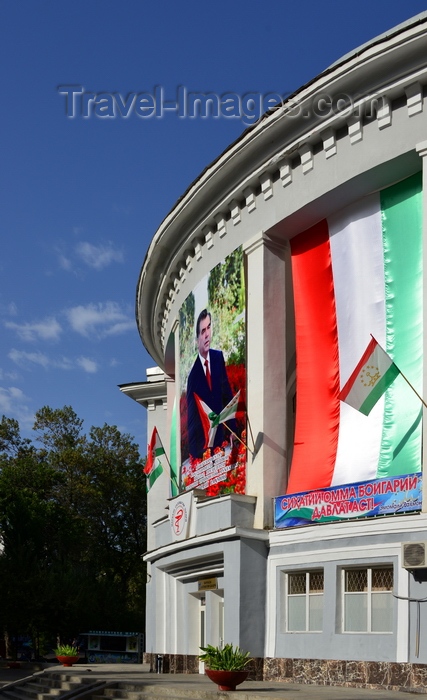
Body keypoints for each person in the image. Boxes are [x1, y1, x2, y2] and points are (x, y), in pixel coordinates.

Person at [187, 309, 236, 459]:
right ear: (197, 339)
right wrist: (198, 455)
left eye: (209, 327)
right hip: (206, 448)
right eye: (203, 331)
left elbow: (226, 394)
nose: (207, 334)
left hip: (225, 440)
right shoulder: (193, 377)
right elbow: (192, 421)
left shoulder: (217, 357)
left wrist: (234, 430)